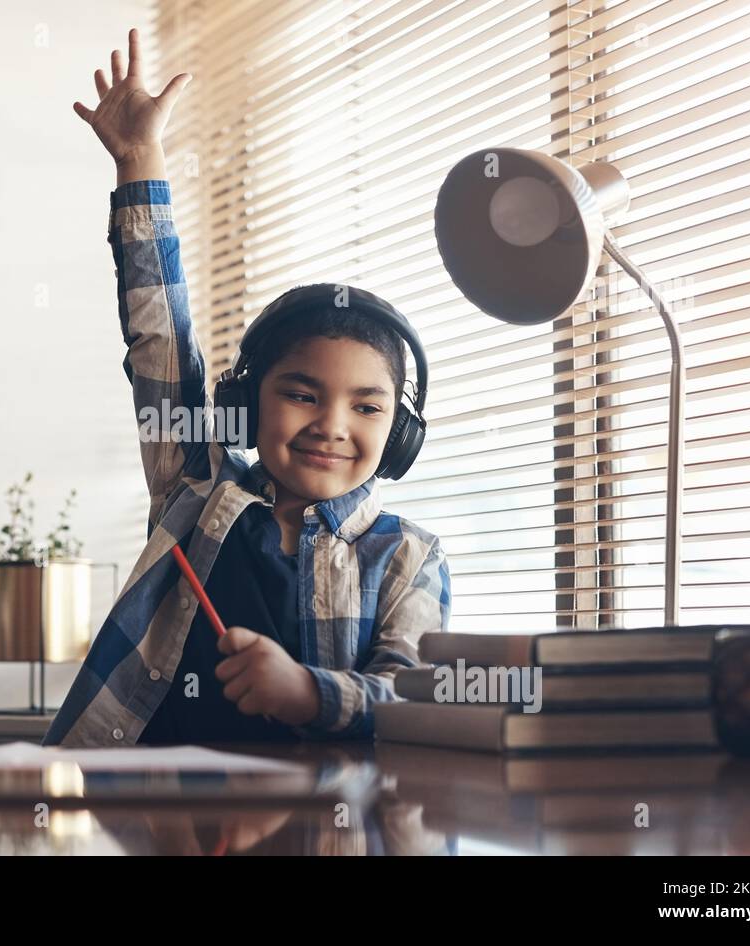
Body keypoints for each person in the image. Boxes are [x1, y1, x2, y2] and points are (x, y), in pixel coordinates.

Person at [42, 29, 450, 748]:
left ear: (401, 432)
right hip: (151, 815)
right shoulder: (192, 489)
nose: (331, 424)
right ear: (244, 405)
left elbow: (408, 700)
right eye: (301, 393)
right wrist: (141, 160)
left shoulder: (408, 557)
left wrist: (306, 694)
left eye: (366, 406)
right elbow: (159, 340)